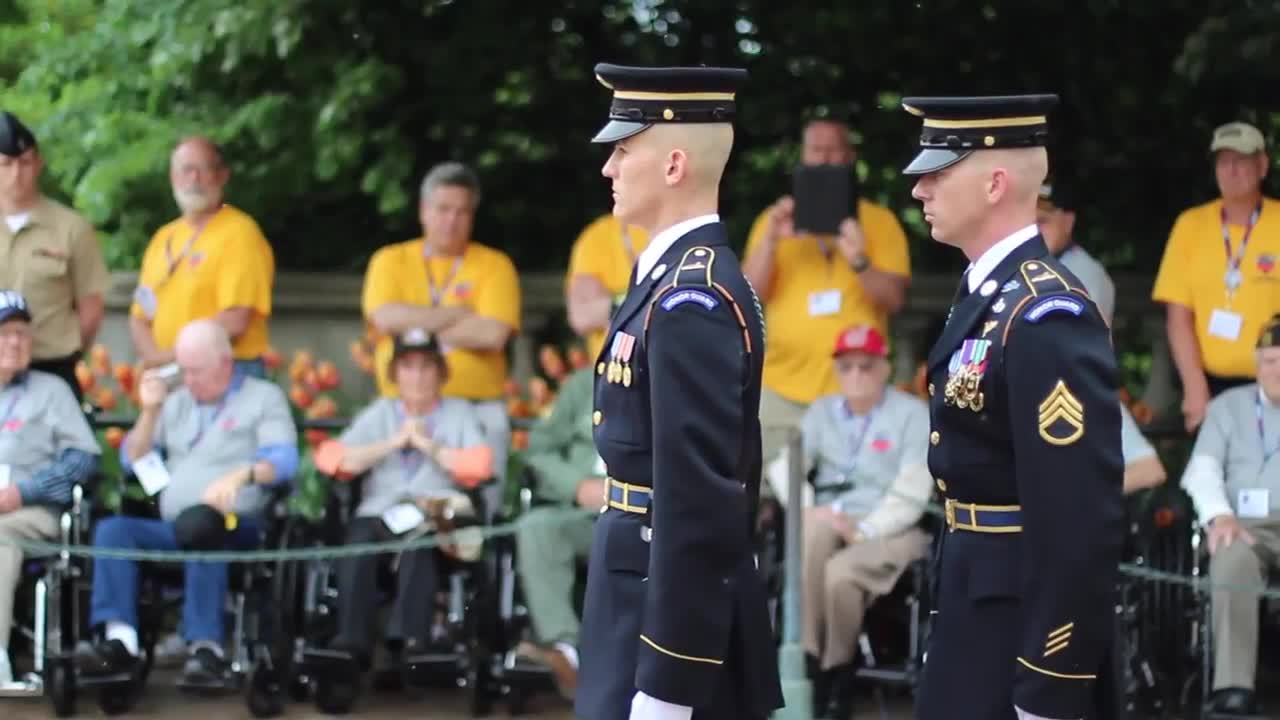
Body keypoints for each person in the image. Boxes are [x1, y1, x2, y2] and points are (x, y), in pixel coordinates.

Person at [901, 95, 1125, 720]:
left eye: (938, 172)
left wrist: (1052, 676)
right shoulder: (987, 294)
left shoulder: (1045, 313)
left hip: (1022, 623)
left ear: (996, 182)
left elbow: (1078, 514)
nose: (920, 188)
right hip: (976, 596)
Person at [574, 63, 782, 720]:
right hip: (635, 586)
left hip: (662, 616)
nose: (608, 167)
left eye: (623, 149)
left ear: (672, 166)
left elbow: (696, 501)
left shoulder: (692, 297)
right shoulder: (666, 277)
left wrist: (669, 681)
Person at [75, 320, 298, 688]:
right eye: (184, 370)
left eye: (196, 371)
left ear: (225, 363)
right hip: (174, 525)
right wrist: (149, 412)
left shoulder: (262, 398)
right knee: (113, 530)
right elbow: (133, 461)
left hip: (235, 524)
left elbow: (286, 461)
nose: (188, 379)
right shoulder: (176, 402)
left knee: (203, 523)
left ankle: (205, 646)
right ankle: (120, 642)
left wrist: (244, 474)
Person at [310, 328, 492, 709]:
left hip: (432, 519)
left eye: (427, 367)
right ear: (395, 374)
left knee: (418, 546)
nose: (418, 377)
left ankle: (409, 643)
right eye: (408, 368)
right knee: (357, 541)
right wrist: (393, 443)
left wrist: (428, 445)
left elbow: (479, 466)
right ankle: (352, 643)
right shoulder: (379, 414)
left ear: (441, 373)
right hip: (378, 513)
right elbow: (330, 459)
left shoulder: (459, 414)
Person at [742, 119, 912, 471]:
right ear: (802, 158)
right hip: (780, 388)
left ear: (850, 157)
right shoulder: (773, 220)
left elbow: (894, 300)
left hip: (857, 389)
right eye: (815, 151)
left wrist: (859, 260)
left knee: (853, 495)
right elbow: (748, 298)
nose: (823, 160)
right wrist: (771, 241)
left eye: (833, 151)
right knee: (765, 493)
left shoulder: (879, 221)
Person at [797, 325, 931, 720]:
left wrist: (866, 530)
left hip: (892, 526)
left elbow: (913, 487)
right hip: (832, 517)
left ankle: (833, 674)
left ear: (884, 368)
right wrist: (810, 508)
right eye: (847, 367)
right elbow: (787, 466)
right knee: (811, 534)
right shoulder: (821, 411)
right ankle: (808, 660)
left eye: (866, 366)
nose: (855, 375)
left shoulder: (912, 415)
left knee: (840, 574)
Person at [1178, 314, 1280, 717]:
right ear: (1257, 363)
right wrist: (1220, 515)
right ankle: (1234, 687)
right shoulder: (1226, 407)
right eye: (1270, 360)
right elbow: (1201, 469)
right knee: (1232, 558)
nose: (1277, 370)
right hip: (1244, 526)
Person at [0, 291, 100, 690]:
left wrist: (23, 491)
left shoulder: (51, 390)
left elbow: (82, 461)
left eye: (22, 333)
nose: (15, 342)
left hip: (28, 512)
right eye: (5, 333)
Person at [1152, 122, 1280, 432]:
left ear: (1262, 166)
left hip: (1276, 385)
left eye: (1241, 160)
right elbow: (1178, 316)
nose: (1231, 170)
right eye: (1223, 161)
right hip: (1211, 387)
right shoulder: (1190, 226)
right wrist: (1195, 389)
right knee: (1214, 477)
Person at [129, 137, 276, 379]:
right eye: (186, 169)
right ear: (172, 177)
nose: (194, 179)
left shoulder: (240, 233)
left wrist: (166, 357)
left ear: (222, 176)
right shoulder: (163, 237)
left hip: (226, 372)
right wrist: (156, 363)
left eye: (204, 169)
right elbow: (139, 316)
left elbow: (235, 319)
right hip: (169, 375)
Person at [0, 111, 110, 400]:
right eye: (6, 163)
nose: (16, 174)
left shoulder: (71, 228)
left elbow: (91, 309)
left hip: (52, 368)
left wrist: (66, 350)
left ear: (38, 164)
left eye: (24, 163)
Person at [512, 365, 601, 701]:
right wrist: (575, 485)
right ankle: (565, 652)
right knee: (537, 526)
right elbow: (538, 449)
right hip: (583, 512)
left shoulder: (679, 379)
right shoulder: (584, 384)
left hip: (649, 519)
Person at [566, 214, 651, 360]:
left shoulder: (696, 227)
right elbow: (582, 316)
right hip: (614, 372)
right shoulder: (598, 236)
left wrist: (616, 302)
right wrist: (649, 299)